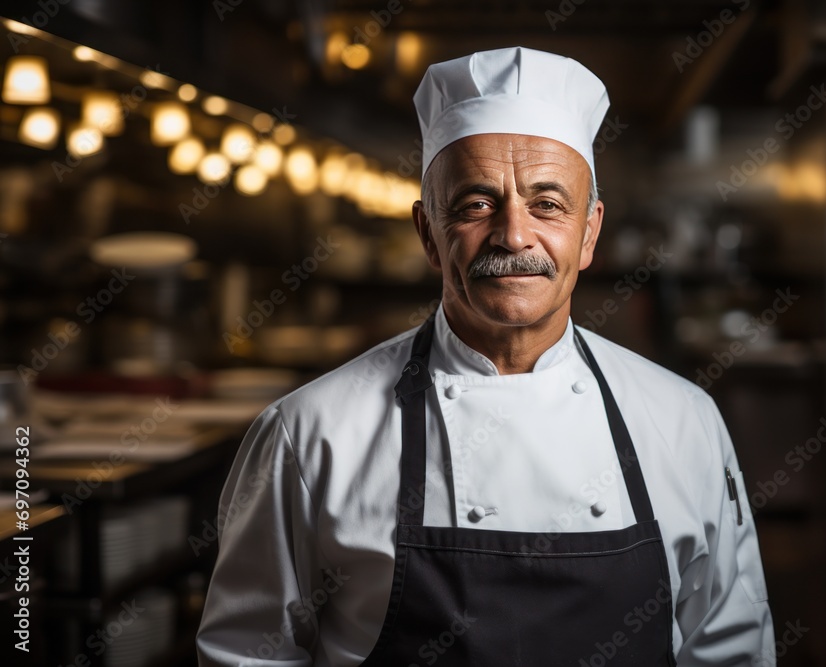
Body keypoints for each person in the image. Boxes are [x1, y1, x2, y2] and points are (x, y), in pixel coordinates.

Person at [196, 46, 774, 666]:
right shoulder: (308, 434)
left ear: (588, 233)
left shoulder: (684, 422)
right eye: (476, 204)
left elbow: (729, 649)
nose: (514, 235)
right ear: (427, 234)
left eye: (548, 204)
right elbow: (247, 656)